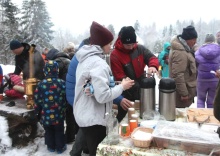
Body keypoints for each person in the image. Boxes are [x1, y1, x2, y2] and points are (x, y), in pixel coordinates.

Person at [73, 21, 134, 156]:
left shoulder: (85, 59)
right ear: (101, 44)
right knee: (98, 152)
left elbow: (93, 86)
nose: (111, 46)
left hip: (85, 114)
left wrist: (116, 83)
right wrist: (122, 87)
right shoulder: (98, 64)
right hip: (94, 119)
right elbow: (103, 96)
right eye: (109, 43)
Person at [110, 26, 159, 122]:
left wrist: (153, 66)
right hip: (126, 93)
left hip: (142, 91)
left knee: (144, 118)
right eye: (128, 45)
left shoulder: (140, 49)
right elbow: (120, 76)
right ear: (122, 42)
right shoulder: (115, 55)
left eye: (133, 44)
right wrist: (138, 87)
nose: (131, 47)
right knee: (126, 119)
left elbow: (151, 57)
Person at [34, 60, 67, 154]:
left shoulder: (41, 84)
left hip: (46, 114)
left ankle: (51, 146)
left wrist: (37, 110)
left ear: (45, 70)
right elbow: (66, 97)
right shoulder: (61, 83)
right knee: (59, 130)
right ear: (57, 70)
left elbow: (37, 99)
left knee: (48, 130)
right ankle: (60, 147)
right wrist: (65, 107)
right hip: (59, 113)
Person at [46, 48, 75, 144]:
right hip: (73, 89)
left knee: (63, 114)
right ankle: (71, 135)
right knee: (71, 114)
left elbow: (53, 79)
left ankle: (63, 138)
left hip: (64, 91)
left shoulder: (57, 62)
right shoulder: (68, 60)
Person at [169, 25, 198, 108]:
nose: (195, 42)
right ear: (187, 40)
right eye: (193, 39)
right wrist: (184, 94)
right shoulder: (180, 52)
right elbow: (178, 74)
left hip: (186, 91)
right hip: (181, 95)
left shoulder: (185, 49)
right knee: (180, 117)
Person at [195, 34, 220, 108]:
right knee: (212, 100)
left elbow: (195, 64)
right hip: (215, 79)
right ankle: (210, 117)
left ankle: (200, 116)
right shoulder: (218, 50)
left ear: (205, 41)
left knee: (200, 99)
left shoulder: (199, 51)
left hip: (201, 80)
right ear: (214, 40)